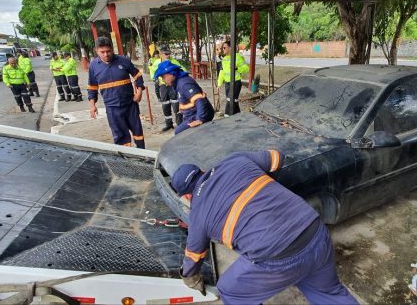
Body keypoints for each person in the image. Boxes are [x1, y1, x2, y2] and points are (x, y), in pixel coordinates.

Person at [172, 150, 357, 304]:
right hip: (315, 231)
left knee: (230, 291)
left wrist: (190, 278)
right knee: (329, 293)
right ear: (202, 170)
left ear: (187, 196)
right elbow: (277, 157)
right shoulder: (233, 161)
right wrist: (264, 187)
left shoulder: (197, 215)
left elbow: (193, 256)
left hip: (280, 258)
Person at [87, 37, 146, 148]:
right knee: (120, 136)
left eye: (108, 51)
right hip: (112, 108)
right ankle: (125, 158)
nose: (106, 54)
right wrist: (92, 106)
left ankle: (143, 154)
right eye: (102, 52)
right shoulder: (93, 66)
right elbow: (92, 87)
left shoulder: (123, 60)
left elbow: (137, 76)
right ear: (96, 51)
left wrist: (139, 92)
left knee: (138, 132)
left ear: (112, 49)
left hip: (130, 105)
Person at [153, 60, 213, 134]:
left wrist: (199, 119)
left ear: (171, 74)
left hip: (198, 115)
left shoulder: (184, 84)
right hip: (192, 114)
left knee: (179, 133)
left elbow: (199, 100)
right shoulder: (177, 83)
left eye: (163, 77)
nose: (163, 80)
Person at [153, 46, 187, 132]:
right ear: (161, 54)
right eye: (166, 54)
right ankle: (169, 124)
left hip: (172, 85)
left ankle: (180, 123)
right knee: (165, 104)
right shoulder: (156, 62)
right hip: (163, 86)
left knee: (176, 103)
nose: (168, 55)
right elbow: (152, 72)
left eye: (169, 54)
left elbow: (183, 70)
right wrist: (157, 80)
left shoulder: (173, 61)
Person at [217, 41, 249, 116]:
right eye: (222, 48)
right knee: (234, 100)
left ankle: (227, 116)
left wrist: (237, 68)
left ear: (230, 48)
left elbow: (246, 68)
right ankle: (238, 115)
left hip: (236, 83)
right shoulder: (224, 59)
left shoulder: (237, 57)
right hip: (227, 84)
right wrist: (219, 84)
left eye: (224, 47)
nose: (223, 49)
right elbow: (222, 73)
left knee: (230, 100)